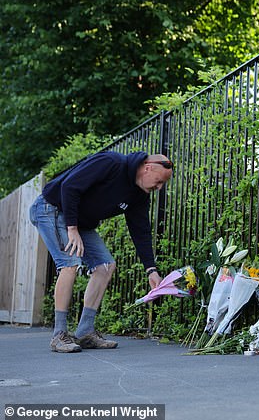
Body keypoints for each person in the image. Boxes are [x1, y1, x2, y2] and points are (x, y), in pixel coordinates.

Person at [29, 151, 173, 353]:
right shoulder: (111, 163)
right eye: (159, 182)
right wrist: (72, 228)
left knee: (105, 266)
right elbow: (69, 187)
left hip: (80, 222)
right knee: (70, 263)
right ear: (148, 168)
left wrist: (151, 269)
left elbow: (141, 231)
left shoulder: (139, 195)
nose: (159, 188)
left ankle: (85, 332)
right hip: (52, 208)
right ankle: (59, 334)